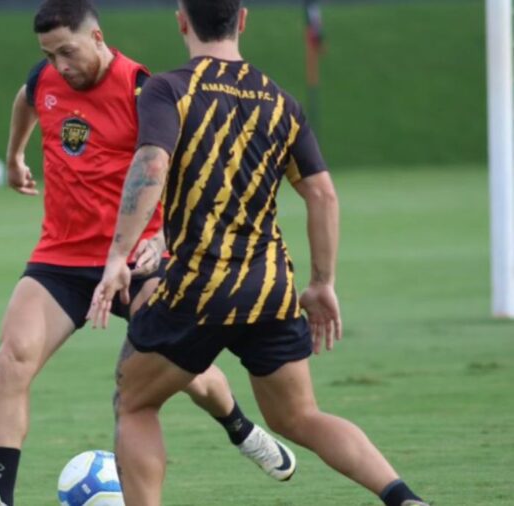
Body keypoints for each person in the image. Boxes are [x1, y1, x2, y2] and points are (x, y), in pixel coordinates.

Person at [87, 1, 431, 505]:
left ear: (182, 21)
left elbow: (151, 164)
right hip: (269, 288)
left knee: (135, 403)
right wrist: (322, 283)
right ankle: (403, 498)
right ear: (242, 20)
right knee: (299, 417)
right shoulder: (281, 102)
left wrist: (118, 255)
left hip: (198, 287)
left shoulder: (169, 89)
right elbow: (323, 195)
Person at [0, 2, 297, 506]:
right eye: (49, 55)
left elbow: (175, 165)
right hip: (62, 258)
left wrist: (161, 239)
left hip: (140, 261)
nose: (59, 66)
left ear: (98, 38)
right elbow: (27, 97)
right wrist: (14, 156)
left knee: (190, 373)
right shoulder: (45, 79)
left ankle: (240, 428)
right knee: (12, 359)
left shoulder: (143, 90)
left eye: (67, 52)